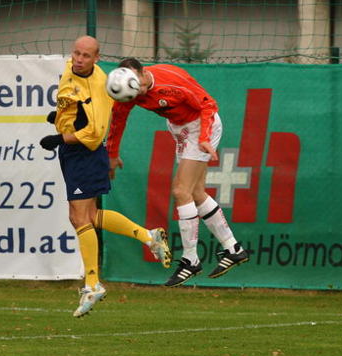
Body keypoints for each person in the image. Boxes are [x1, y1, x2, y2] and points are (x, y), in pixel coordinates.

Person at [39, 37, 171, 317]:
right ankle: (148, 236)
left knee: (78, 218)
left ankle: (92, 284)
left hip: (84, 153)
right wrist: (61, 116)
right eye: (76, 53)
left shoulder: (99, 89)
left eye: (86, 55)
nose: (79, 59)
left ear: (97, 58)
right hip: (73, 152)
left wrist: (59, 136)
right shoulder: (68, 68)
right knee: (89, 216)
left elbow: (94, 134)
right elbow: (72, 105)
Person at [106, 57, 249, 287]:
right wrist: (112, 154)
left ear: (143, 73)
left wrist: (203, 139)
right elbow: (118, 120)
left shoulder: (170, 83)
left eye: (139, 87)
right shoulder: (129, 90)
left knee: (181, 190)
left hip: (202, 124)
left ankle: (190, 259)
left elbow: (208, 105)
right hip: (180, 128)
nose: (138, 95)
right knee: (196, 192)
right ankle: (233, 248)